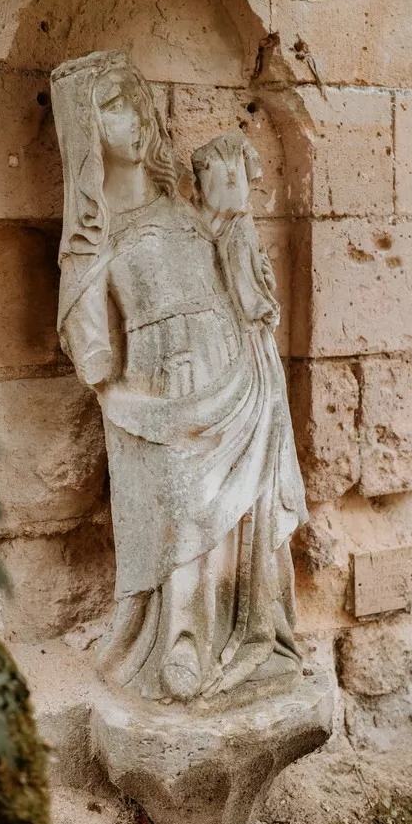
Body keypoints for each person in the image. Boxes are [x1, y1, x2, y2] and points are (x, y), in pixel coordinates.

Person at [50, 50, 307, 704]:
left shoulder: (190, 211)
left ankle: (246, 630)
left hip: (234, 371)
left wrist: (239, 223)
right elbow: (90, 345)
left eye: (134, 104)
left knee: (237, 510)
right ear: (85, 130)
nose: (130, 121)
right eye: (110, 110)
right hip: (162, 389)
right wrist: (119, 385)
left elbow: (248, 293)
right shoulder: (94, 236)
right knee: (186, 502)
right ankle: (183, 642)